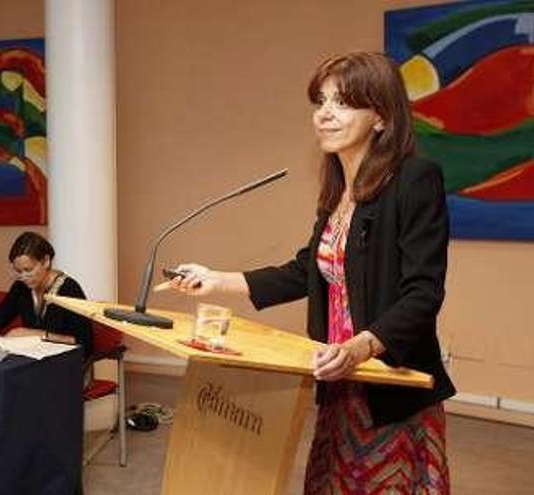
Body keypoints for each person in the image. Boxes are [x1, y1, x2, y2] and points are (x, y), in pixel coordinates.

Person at [167, 52, 454, 493]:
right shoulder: (339, 191)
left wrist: (361, 347)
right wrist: (216, 279)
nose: (325, 114)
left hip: (390, 382)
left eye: (343, 103)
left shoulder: (415, 180)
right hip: (339, 378)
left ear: (380, 116)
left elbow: (423, 293)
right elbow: (307, 270)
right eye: (321, 101)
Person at [0, 231, 92, 357]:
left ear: (46, 261)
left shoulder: (68, 289)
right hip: (33, 359)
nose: (23, 277)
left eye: (28, 270)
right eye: (18, 271)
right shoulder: (21, 287)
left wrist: (37, 335)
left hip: (64, 363)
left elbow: (84, 342)